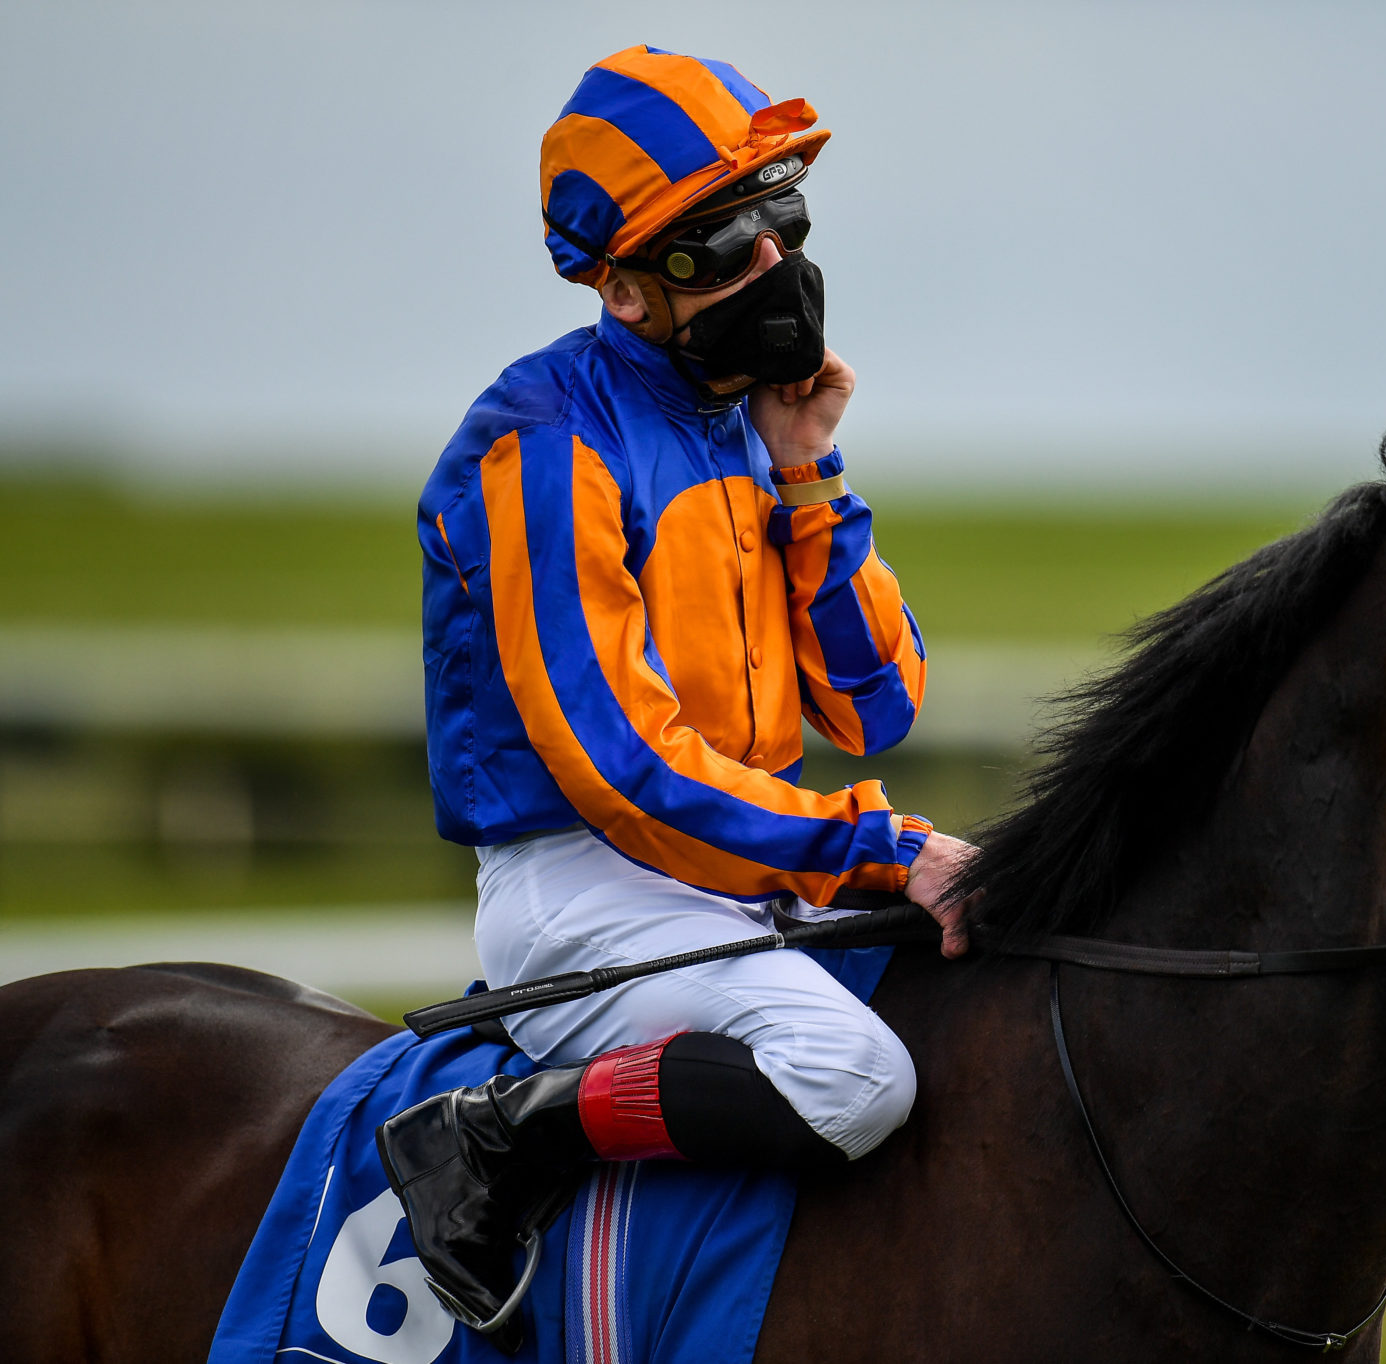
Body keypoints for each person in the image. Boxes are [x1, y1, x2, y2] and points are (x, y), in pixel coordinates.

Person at [376, 44, 974, 1339]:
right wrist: (874, 851)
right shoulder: (541, 447)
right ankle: (488, 1137)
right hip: (582, 884)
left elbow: (877, 711)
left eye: (785, 226)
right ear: (634, 289)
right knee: (852, 1079)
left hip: (733, 863)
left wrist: (810, 477)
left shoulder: (752, 424)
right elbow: (625, 773)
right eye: (729, 247)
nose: (778, 270)